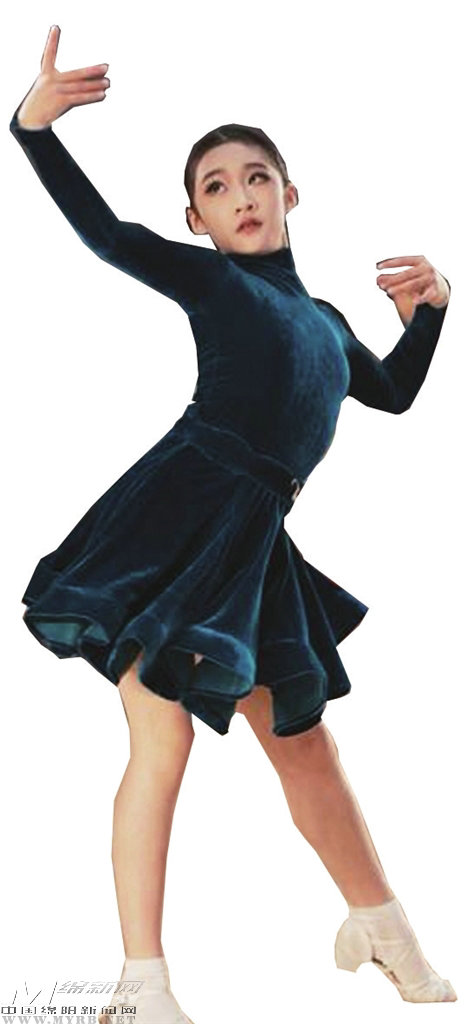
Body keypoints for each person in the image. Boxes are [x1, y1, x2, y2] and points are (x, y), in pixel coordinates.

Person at [10, 24, 456, 1023]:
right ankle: (140, 983)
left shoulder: (328, 322)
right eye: (216, 188)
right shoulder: (212, 281)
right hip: (175, 515)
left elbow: (389, 394)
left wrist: (432, 310)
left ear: (291, 193)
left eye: (257, 178)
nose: (241, 196)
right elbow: (107, 236)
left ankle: (379, 926)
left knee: (303, 742)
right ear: (197, 219)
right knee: (160, 734)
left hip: (253, 538)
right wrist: (32, 132)